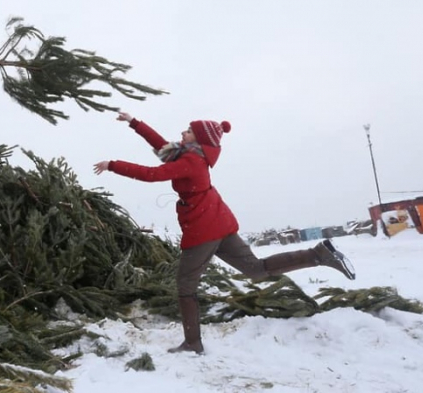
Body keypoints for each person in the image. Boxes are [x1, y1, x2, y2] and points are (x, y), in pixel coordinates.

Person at [93, 112, 356, 355]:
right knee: (256, 269)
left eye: (188, 131)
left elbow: (152, 174)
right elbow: (161, 144)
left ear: (199, 139)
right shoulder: (187, 155)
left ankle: (192, 343)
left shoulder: (190, 161)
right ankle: (319, 254)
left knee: (185, 284)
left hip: (203, 227)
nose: (182, 133)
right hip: (218, 221)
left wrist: (112, 165)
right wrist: (134, 122)